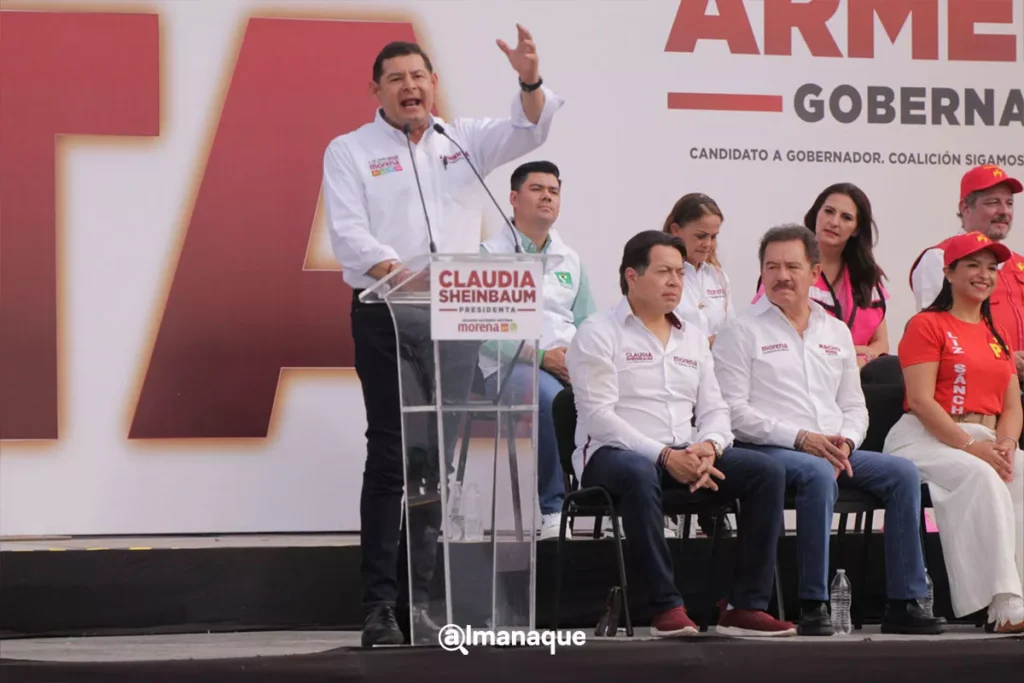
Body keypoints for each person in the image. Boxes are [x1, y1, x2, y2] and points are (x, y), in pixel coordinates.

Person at [322, 31, 563, 646]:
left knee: (436, 465)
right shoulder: (350, 150)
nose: (410, 87)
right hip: (388, 316)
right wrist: (405, 275)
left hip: (458, 318)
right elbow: (350, 236)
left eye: (419, 77)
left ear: (434, 84)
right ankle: (379, 606)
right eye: (396, 78)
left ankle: (422, 603)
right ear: (376, 90)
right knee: (391, 458)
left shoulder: (461, 141)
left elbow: (530, 131)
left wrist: (530, 80)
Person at [713, 224, 946, 636]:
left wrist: (847, 441)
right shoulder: (741, 329)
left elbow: (854, 406)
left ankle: (904, 603)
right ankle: (814, 604)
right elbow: (733, 413)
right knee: (818, 473)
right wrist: (802, 439)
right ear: (761, 272)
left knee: (903, 473)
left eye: (792, 266)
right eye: (771, 267)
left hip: (835, 446)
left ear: (815, 272)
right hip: (771, 449)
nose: (781, 275)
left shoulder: (835, 331)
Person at [565, 230, 796, 637]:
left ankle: (745, 606)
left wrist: (709, 446)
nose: (675, 281)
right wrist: (665, 457)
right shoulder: (598, 332)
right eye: (664, 272)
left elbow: (715, 409)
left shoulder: (692, 334)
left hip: (684, 452)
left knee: (766, 472)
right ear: (632, 277)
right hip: (611, 455)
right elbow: (599, 417)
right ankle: (665, 607)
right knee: (638, 472)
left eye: (679, 272)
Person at [885, 231, 1024, 634]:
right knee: (982, 476)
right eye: (972, 266)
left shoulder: (996, 335)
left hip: (983, 439)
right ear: (949, 272)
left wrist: (1007, 443)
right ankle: (1004, 605)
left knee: (1020, 469)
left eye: (991, 268)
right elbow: (923, 401)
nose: (984, 275)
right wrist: (972, 447)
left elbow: (1012, 406)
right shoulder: (927, 325)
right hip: (923, 438)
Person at [478, 160, 595, 539]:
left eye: (554, 191)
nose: (547, 196)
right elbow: (478, 329)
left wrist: (578, 363)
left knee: (611, 395)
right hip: (508, 366)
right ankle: (553, 507)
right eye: (537, 188)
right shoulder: (486, 256)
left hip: (565, 364)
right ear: (513, 198)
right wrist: (542, 358)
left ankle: (605, 501)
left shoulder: (571, 260)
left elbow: (588, 325)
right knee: (549, 400)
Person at [753, 184, 888, 368]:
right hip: (796, 370)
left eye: (846, 217)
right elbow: (766, 329)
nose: (834, 222)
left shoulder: (867, 276)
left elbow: (881, 343)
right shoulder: (785, 270)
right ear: (816, 214)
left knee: (891, 370)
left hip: (858, 376)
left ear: (856, 229)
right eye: (829, 211)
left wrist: (859, 361)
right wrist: (848, 352)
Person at [910, 165, 1022, 373]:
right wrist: (1003, 359)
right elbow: (935, 337)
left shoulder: (1019, 263)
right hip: (973, 388)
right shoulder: (939, 258)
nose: (1004, 211)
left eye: (1009, 203)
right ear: (965, 208)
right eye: (993, 202)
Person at [662, 193, 735, 344]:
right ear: (675, 230)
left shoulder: (718, 276)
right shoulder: (660, 275)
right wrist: (706, 344)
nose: (708, 244)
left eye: (713, 237)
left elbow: (731, 328)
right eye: (701, 236)